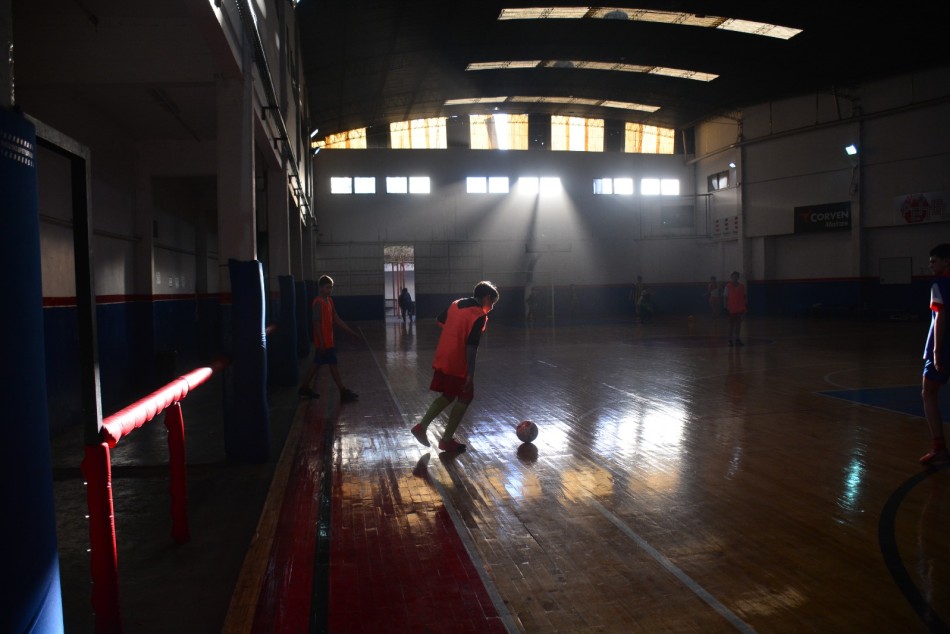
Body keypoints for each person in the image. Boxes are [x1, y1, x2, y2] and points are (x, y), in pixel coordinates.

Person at [410, 281, 500, 453]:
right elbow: (471, 348)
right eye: (492, 303)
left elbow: (439, 320)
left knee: (450, 394)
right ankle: (443, 439)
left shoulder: (455, 304)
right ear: (487, 298)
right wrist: (470, 375)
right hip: (458, 360)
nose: (492, 307)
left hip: (443, 354)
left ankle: (424, 429)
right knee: (466, 396)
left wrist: (454, 333)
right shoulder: (478, 315)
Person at [298, 275, 361, 402]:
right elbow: (316, 323)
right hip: (324, 342)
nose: (330, 290)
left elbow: (336, 319)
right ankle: (343, 391)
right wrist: (321, 342)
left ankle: (304, 388)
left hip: (328, 341)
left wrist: (351, 332)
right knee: (333, 365)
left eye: (331, 287)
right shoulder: (317, 303)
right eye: (327, 287)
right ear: (321, 288)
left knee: (317, 364)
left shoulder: (330, 301)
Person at [920, 243, 950, 464]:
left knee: (928, 393)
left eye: (934, 261)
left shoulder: (939, 284)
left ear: (946, 261)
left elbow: (940, 318)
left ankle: (939, 447)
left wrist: (937, 352)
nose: (930, 265)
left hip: (943, 347)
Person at [723, 271, 747, 346]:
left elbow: (744, 297)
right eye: (733, 276)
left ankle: (737, 339)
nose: (735, 278)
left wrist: (745, 306)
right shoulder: (728, 286)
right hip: (731, 308)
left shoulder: (742, 286)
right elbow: (725, 297)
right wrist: (725, 307)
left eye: (736, 276)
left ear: (738, 277)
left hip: (740, 308)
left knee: (738, 324)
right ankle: (730, 340)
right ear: (731, 277)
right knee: (731, 325)